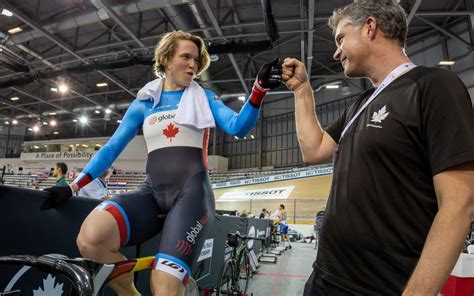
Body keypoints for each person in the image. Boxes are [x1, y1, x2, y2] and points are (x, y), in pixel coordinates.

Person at [43, 30, 281, 296]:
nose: (193, 65)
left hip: (192, 196)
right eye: (186, 57)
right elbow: (110, 149)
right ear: (167, 60)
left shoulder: (204, 96)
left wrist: (258, 91)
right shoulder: (144, 103)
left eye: (196, 59)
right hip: (152, 193)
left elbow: (237, 126)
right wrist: (73, 187)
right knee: (90, 238)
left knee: (163, 286)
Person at [281, 0, 474, 294]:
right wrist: (301, 90)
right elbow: (314, 149)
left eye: (341, 38)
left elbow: (459, 202)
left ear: (370, 27)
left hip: (380, 287)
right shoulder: (359, 104)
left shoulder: (433, 86)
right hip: (324, 276)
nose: (336, 52)